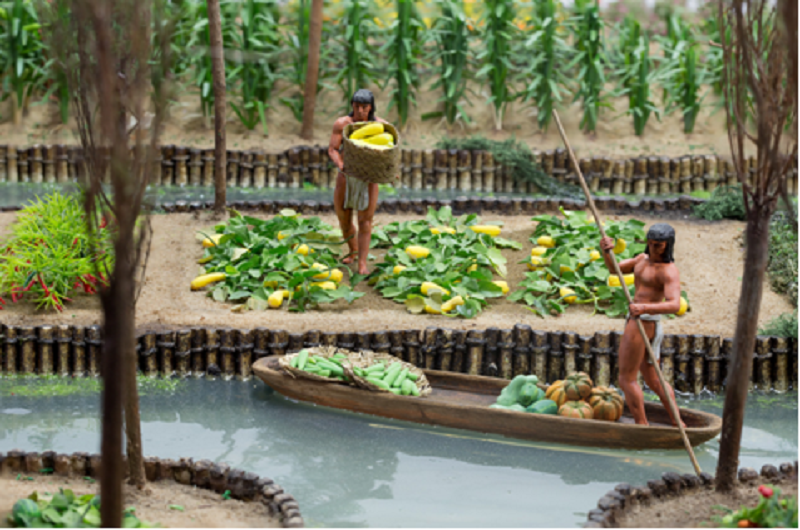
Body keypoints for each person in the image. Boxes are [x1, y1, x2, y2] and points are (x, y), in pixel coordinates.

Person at [599, 223, 684, 427]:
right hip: (638, 319)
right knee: (653, 380)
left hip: (643, 323)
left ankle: (642, 425)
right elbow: (615, 271)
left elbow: (675, 304)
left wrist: (644, 308)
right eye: (651, 243)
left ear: (668, 245)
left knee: (626, 379)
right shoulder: (641, 259)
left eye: (659, 245)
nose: (654, 248)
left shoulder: (669, 271)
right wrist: (606, 252)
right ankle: (677, 423)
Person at [327, 89, 396, 275]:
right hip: (346, 175)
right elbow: (333, 149)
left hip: (369, 177)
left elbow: (392, 152)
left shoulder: (381, 125)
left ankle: (363, 263)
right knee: (343, 217)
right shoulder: (342, 124)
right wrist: (340, 164)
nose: (360, 111)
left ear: (370, 107)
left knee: (365, 221)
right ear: (352, 106)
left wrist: (391, 169)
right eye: (357, 106)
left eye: (364, 107)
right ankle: (353, 252)